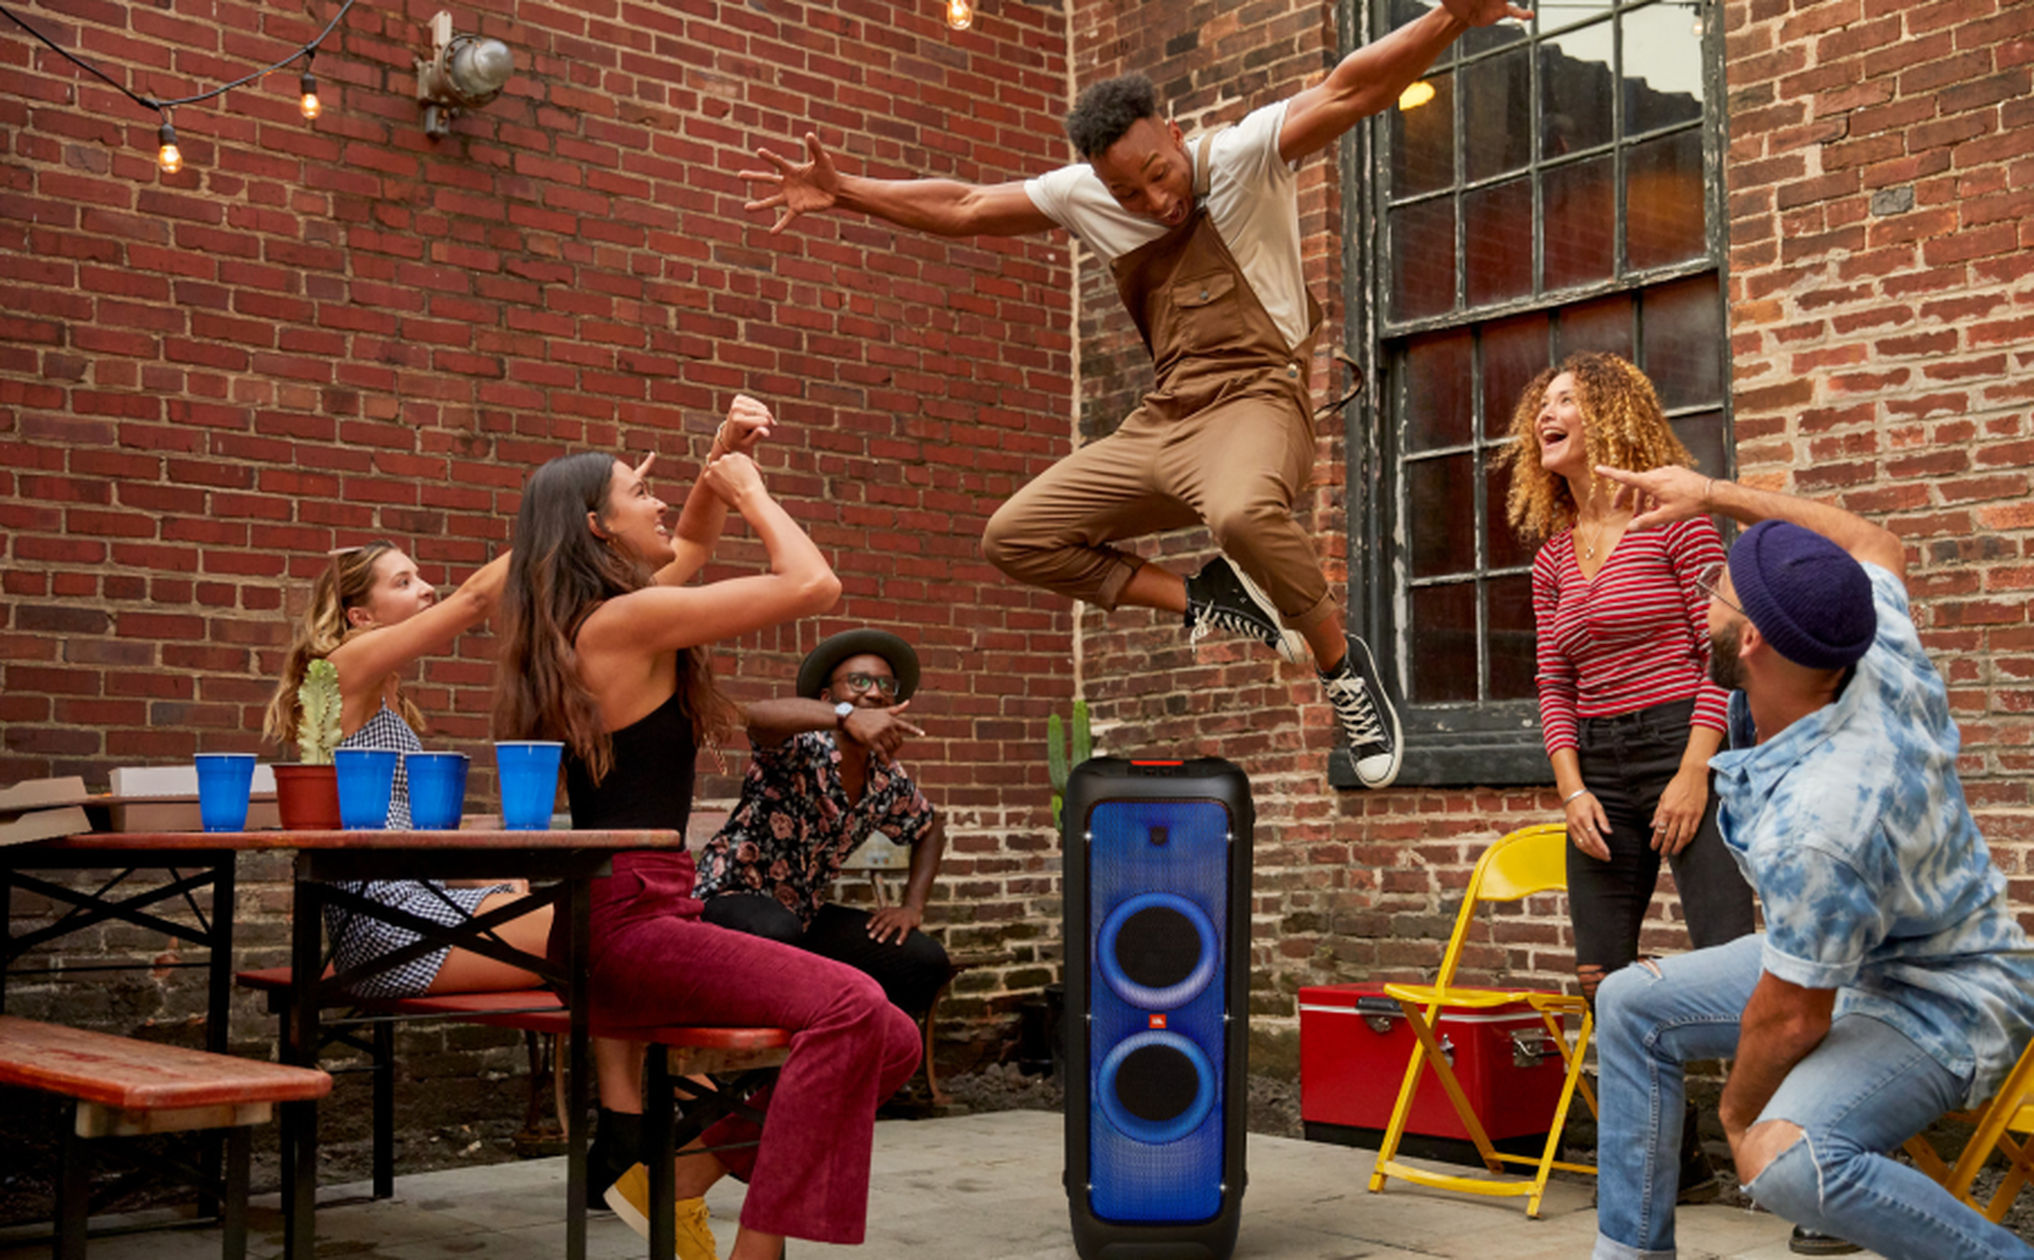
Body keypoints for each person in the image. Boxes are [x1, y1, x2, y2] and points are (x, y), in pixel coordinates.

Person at [738, 0, 1530, 787]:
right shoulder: (1085, 194)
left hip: (1258, 397)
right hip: (1166, 416)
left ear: (1175, 136)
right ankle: (1205, 597)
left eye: (1160, 175)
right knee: (1015, 535)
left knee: (1242, 513)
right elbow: (969, 206)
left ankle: (1342, 669)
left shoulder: (1244, 155)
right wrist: (846, 193)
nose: (1156, 202)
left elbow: (1349, 90)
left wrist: (1451, 20)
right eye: (1130, 194)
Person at [493, 404, 921, 1260]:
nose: (656, 502)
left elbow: (686, 548)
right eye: (637, 491)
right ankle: (758, 1249)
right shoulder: (620, 625)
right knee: (851, 1005)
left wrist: (715, 465)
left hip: (644, 913)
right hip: (626, 921)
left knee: (896, 1038)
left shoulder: (611, 617)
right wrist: (752, 490)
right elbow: (812, 585)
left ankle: (680, 1176)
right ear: (594, 527)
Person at [1584, 463, 2034, 1260]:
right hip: (1855, 949)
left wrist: (1735, 1117)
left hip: (1943, 997)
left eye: (1718, 594)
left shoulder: (1821, 816)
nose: (1705, 600)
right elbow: (1872, 540)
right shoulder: (1862, 639)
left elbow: (1793, 1018)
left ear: (1751, 641)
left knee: (1782, 1160)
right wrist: (1710, 492)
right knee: (1628, 1003)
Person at [1505, 353, 1757, 1006]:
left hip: (1684, 739)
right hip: (1599, 764)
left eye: (1566, 401)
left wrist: (1694, 772)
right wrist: (1572, 790)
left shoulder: (1673, 520)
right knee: (1600, 979)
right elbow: (1554, 681)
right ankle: (1664, 1111)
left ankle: (1753, 1108)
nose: (1545, 414)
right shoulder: (1553, 559)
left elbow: (1723, 653)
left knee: (1729, 960)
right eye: (1542, 402)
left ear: (1611, 418)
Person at [262, 539, 544, 999]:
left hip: (421, 907)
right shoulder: (343, 670)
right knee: (595, 938)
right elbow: (473, 600)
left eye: (421, 576)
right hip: (386, 926)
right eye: (404, 582)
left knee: (594, 932)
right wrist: (552, 518)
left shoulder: (387, 692)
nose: (428, 590)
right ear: (361, 617)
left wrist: (481, 877)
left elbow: (407, 828)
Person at [696, 628, 950, 1018]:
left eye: (885, 684)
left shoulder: (886, 778)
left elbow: (930, 829)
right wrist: (847, 718)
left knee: (922, 960)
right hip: (730, 903)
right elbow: (757, 718)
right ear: (828, 699)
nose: (875, 693)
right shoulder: (802, 748)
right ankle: (768, 1075)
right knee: (777, 934)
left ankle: (862, 1068)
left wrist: (911, 906)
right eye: (859, 682)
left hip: (802, 916)